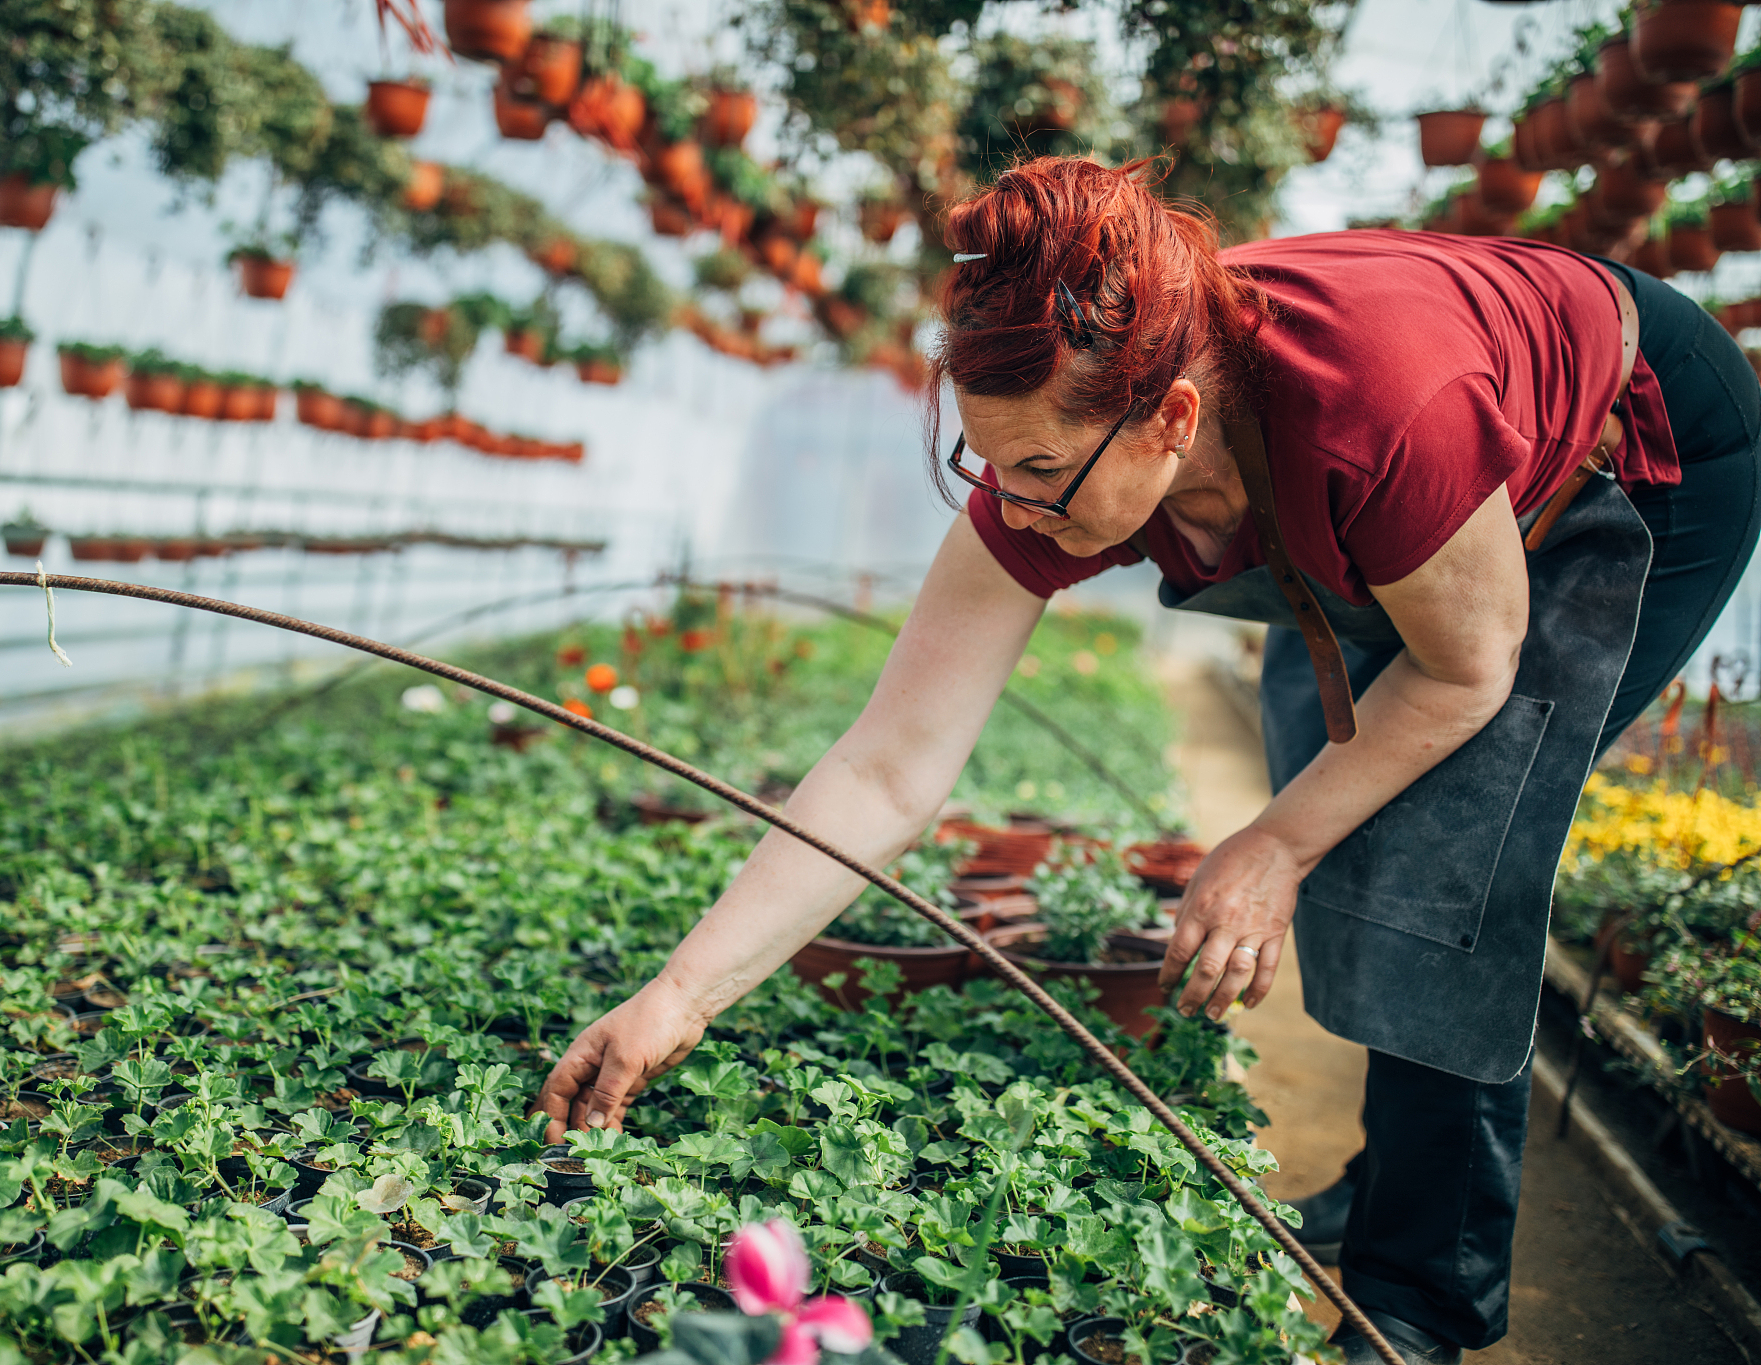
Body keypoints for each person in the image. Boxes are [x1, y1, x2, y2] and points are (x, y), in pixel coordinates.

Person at [535, 157, 1761, 1365]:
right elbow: (888, 767)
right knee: (1333, 756)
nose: (1012, 506)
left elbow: (1464, 672)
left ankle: (1416, 1300)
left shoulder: (1380, 407)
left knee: (1445, 839)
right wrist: (679, 995)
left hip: (1641, 449)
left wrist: (1273, 844)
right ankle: (1386, 1178)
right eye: (987, 462)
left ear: (1171, 421)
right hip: (1398, 496)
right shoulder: (1061, 441)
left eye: (1037, 473)